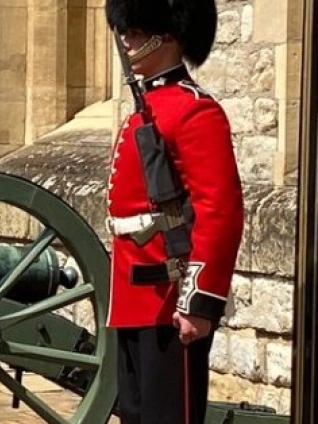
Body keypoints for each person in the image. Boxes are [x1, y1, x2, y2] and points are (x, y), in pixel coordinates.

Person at [104, 0, 245, 423]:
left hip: (170, 300)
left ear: (165, 36)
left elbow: (219, 211)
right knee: (135, 412)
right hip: (133, 295)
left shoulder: (195, 111)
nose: (125, 41)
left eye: (134, 31)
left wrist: (198, 303)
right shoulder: (147, 109)